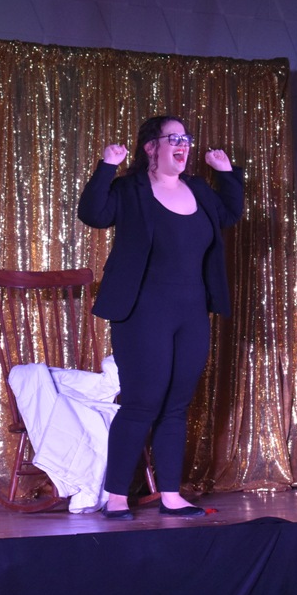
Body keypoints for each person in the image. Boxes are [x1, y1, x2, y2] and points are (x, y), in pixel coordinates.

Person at [77, 115, 244, 519]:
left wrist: (227, 174)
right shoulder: (130, 189)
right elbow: (94, 214)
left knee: (176, 405)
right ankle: (116, 497)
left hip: (191, 311)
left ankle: (171, 495)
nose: (183, 145)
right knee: (142, 402)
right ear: (151, 146)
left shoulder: (199, 190)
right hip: (142, 310)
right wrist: (106, 166)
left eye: (186, 139)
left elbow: (228, 215)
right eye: (174, 139)